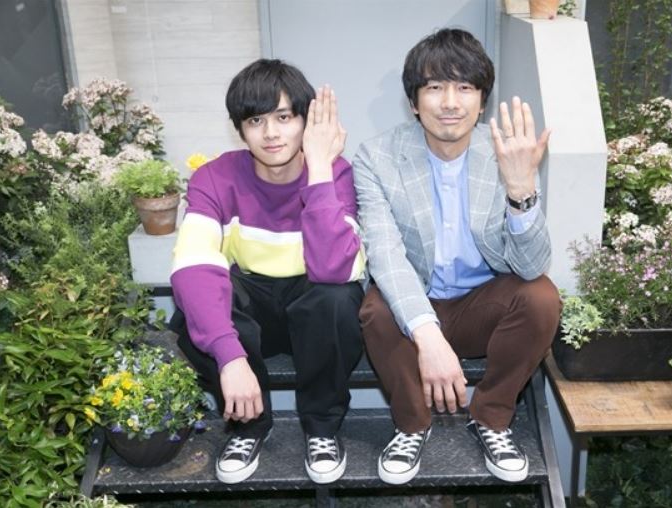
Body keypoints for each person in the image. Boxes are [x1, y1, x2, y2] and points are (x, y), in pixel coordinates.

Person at [353, 28, 561, 485]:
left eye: (464, 87)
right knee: (376, 308)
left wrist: (521, 189)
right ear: (414, 101)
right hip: (413, 308)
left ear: (482, 100)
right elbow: (384, 255)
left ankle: (491, 417)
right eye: (434, 87)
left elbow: (530, 266)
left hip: (481, 307)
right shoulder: (376, 157)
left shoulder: (506, 153)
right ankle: (412, 426)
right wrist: (428, 337)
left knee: (542, 297)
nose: (450, 102)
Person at [169, 59, 366, 485]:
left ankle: (322, 428)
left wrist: (319, 171)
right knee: (196, 307)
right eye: (256, 120)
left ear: (306, 121)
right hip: (254, 309)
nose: (271, 133)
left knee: (337, 298)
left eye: (284, 117)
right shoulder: (214, 177)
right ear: (240, 129)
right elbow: (192, 264)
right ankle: (249, 426)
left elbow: (335, 269)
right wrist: (230, 358)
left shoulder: (336, 174)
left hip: (312, 308)